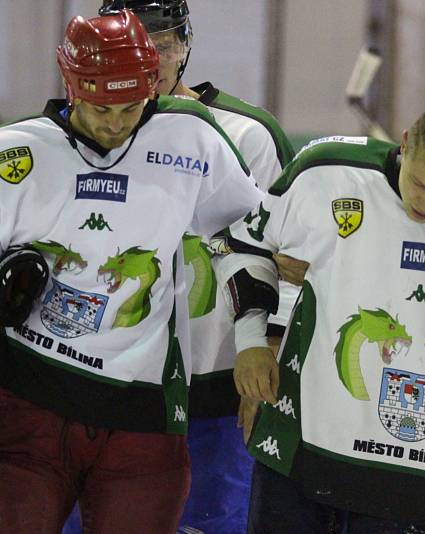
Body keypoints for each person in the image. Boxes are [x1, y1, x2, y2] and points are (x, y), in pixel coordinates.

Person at [213, 98, 425, 532]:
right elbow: (241, 247)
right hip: (301, 449)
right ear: (405, 144)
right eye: (419, 185)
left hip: (419, 473)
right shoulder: (327, 173)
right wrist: (253, 341)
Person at [0, 10, 263, 533]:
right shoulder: (16, 155)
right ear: (72, 86)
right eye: (101, 108)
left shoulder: (192, 143)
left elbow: (251, 235)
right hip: (29, 403)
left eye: (131, 106)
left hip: (142, 412)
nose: (117, 124)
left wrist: (257, 334)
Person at [61, 3, 297, 533]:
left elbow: (285, 258)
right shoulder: (79, 129)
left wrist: (270, 352)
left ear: (187, 45)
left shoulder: (248, 134)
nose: (148, 59)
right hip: (105, 385)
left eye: (162, 45)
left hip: (216, 387)